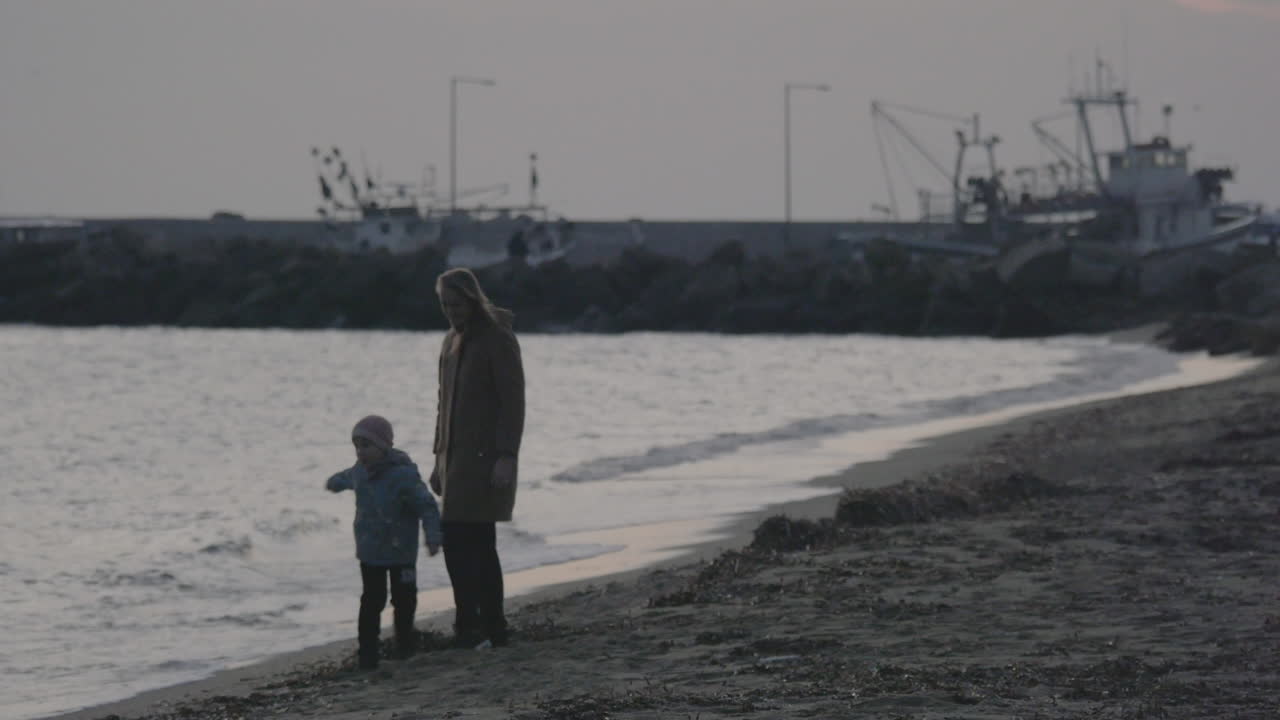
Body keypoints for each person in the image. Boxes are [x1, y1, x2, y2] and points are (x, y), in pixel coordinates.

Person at [430, 267, 525, 649]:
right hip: (453, 459)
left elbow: (513, 402)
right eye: (444, 305)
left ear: (472, 299)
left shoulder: (497, 339)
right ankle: (468, 624)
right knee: (455, 543)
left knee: (481, 543)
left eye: (456, 304)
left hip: (486, 458)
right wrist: (438, 459)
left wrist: (506, 455)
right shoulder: (450, 341)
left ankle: (494, 626)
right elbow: (443, 403)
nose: (451, 312)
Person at [326, 414, 442, 669]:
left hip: (402, 553)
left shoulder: (403, 475)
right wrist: (334, 483)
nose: (360, 452)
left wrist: (433, 536)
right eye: (356, 446)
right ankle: (368, 652)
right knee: (372, 600)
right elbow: (345, 477)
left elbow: (427, 506)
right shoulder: (359, 472)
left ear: (384, 446)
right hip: (370, 552)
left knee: (404, 599)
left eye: (366, 446)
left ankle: (405, 644)